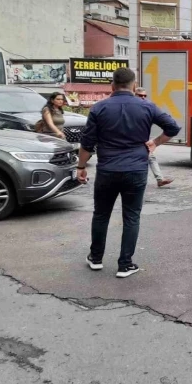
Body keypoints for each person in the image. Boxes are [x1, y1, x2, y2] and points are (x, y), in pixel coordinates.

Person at [77, 67, 180, 278]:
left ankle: (96, 258)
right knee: (131, 217)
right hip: (135, 170)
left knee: (101, 215)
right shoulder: (146, 106)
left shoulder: (98, 108)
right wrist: (155, 142)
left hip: (107, 170)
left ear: (112, 86)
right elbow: (173, 127)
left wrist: (80, 168)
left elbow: (87, 143)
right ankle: (125, 264)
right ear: (134, 85)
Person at [135, 87, 173, 188]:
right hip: (131, 141)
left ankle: (159, 179)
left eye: (144, 96)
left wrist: (155, 141)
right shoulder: (132, 108)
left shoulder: (148, 108)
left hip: (142, 140)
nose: (143, 98)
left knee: (151, 157)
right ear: (135, 95)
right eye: (140, 96)